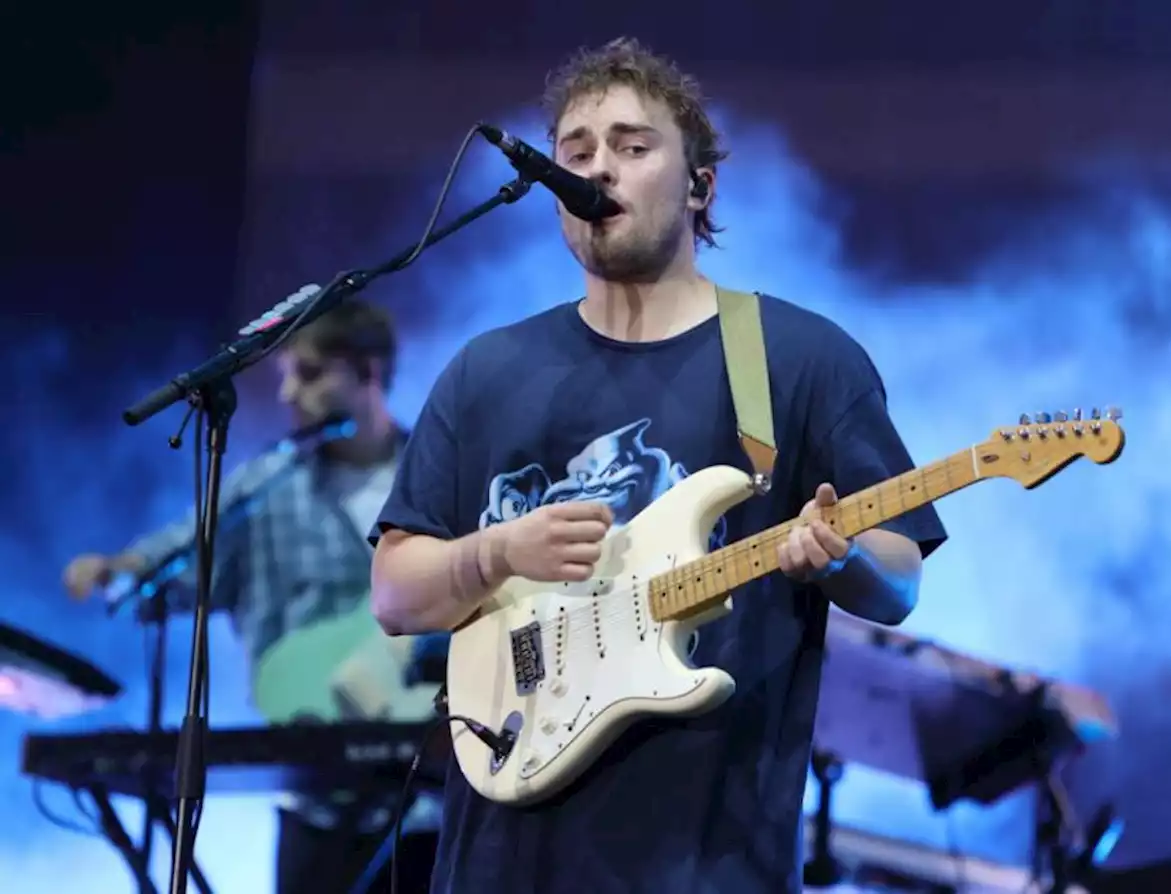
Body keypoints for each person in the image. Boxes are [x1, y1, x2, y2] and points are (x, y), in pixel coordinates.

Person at [368, 38, 948, 894]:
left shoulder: (798, 359)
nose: (598, 168)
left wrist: (845, 559)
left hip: (711, 862)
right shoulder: (485, 372)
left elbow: (897, 583)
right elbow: (394, 594)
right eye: (576, 152)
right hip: (500, 858)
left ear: (699, 185)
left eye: (633, 147)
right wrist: (493, 554)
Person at [61, 300, 441, 894]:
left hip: (432, 795)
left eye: (311, 373)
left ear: (369, 372)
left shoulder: (437, 475)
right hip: (314, 792)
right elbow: (178, 557)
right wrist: (120, 569)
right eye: (287, 374)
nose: (289, 393)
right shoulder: (264, 487)